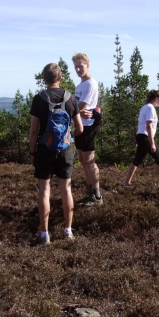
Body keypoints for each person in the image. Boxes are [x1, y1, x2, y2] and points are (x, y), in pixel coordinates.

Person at [29, 63, 83, 245]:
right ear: (60, 78)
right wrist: (68, 137)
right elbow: (80, 128)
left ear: (44, 79)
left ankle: (45, 235)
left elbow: (33, 131)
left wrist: (32, 152)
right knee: (66, 190)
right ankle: (68, 231)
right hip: (65, 150)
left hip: (45, 150)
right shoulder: (70, 98)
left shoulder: (39, 99)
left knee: (44, 191)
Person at [72, 52, 103, 206]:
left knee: (89, 161)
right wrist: (76, 110)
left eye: (81, 66)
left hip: (88, 126)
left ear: (87, 65)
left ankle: (97, 194)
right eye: (76, 67)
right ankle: (91, 189)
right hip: (80, 125)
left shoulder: (91, 84)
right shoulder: (80, 85)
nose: (78, 69)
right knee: (82, 160)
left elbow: (80, 106)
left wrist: (75, 110)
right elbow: (76, 107)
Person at [123, 90, 159, 185]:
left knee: (158, 158)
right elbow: (149, 125)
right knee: (137, 160)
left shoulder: (144, 107)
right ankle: (127, 182)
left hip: (142, 136)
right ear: (157, 98)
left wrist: (137, 137)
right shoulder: (150, 108)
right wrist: (152, 143)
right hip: (146, 137)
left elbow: (139, 124)